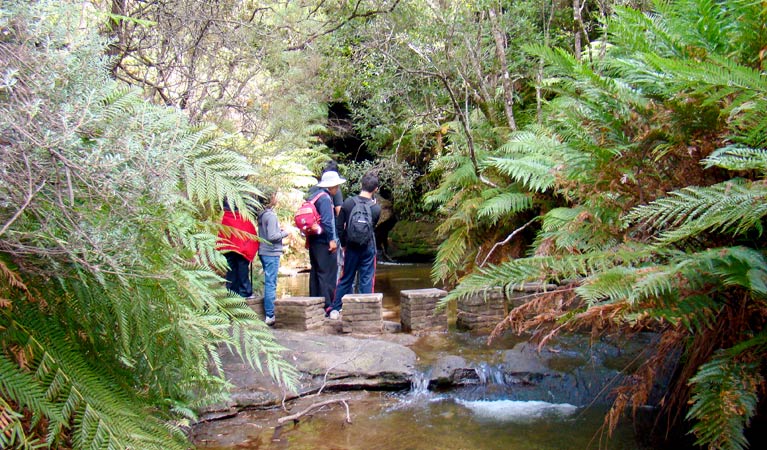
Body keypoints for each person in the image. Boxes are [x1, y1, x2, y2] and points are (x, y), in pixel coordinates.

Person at [330, 172, 381, 319]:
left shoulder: (348, 203)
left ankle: (335, 309)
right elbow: (372, 228)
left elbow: (339, 226)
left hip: (351, 247)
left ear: (361, 185)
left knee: (346, 278)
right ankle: (365, 312)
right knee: (366, 279)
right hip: (368, 247)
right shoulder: (375, 209)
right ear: (375, 189)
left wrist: (344, 244)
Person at [306, 170, 346, 316]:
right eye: (337, 186)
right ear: (332, 186)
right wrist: (332, 240)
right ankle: (327, 306)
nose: (338, 189)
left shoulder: (314, 196)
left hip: (314, 241)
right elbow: (328, 221)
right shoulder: (325, 199)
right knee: (327, 274)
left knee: (316, 272)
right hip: (323, 242)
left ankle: (314, 304)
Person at [257, 189, 289, 326]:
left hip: (264, 251)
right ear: (271, 198)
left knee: (269, 282)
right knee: (271, 283)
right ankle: (270, 314)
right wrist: (286, 233)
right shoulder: (270, 216)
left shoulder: (261, 215)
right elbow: (272, 236)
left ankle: (269, 312)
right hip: (270, 252)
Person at [218, 199, 259, 298]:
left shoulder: (225, 217)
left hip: (228, 247)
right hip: (242, 249)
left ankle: (232, 292)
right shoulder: (243, 217)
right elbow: (251, 234)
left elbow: (222, 234)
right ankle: (245, 292)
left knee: (231, 269)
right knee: (242, 269)